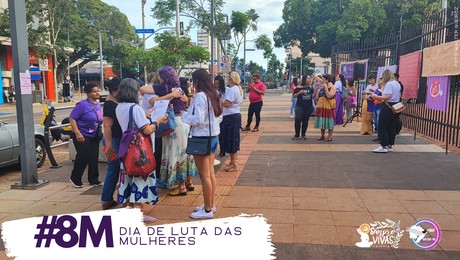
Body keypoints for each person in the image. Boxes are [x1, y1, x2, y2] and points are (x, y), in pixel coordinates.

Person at [140, 66, 197, 196]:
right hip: (185, 122)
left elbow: (142, 89)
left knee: (175, 153)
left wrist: (168, 96)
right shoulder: (178, 88)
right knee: (185, 152)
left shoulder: (163, 87)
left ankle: (180, 186)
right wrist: (175, 95)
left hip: (173, 123)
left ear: (162, 76)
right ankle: (189, 182)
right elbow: (186, 100)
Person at [116, 78, 167, 222]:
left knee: (129, 179)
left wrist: (146, 115)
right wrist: (157, 122)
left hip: (126, 149)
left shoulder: (119, 106)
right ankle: (139, 213)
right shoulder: (136, 108)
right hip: (139, 152)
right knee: (140, 178)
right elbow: (147, 129)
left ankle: (130, 210)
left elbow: (131, 121)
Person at [182, 68, 223, 219]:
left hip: (201, 137)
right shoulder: (214, 95)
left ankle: (207, 209)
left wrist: (185, 115)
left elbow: (197, 119)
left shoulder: (200, 96)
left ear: (197, 81)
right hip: (213, 136)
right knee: (210, 174)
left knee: (204, 175)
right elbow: (219, 117)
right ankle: (210, 205)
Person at [69, 83, 103, 188]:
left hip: (94, 134)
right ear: (87, 93)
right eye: (94, 91)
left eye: (98, 90)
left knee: (93, 157)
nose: (97, 93)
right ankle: (75, 178)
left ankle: (93, 178)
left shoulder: (98, 105)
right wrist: (77, 133)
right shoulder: (82, 105)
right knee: (83, 156)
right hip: (82, 134)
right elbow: (72, 118)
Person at [101, 77, 122, 210]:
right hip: (113, 140)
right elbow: (107, 126)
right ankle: (107, 199)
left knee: (114, 170)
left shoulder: (114, 102)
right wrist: (109, 146)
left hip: (115, 139)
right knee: (114, 169)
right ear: (116, 90)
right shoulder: (110, 104)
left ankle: (107, 199)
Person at [371, 70, 401, 153]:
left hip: (388, 106)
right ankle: (390, 145)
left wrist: (376, 97)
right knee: (391, 126)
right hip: (396, 106)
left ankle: (383, 146)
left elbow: (388, 96)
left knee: (382, 126)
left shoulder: (388, 84)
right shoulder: (397, 83)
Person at [220, 72, 243, 171]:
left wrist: (218, 100)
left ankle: (233, 163)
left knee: (231, 140)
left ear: (231, 79)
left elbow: (226, 103)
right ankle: (233, 161)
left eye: (228, 78)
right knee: (233, 139)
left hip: (230, 116)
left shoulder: (232, 90)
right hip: (234, 115)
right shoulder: (238, 89)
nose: (227, 80)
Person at [313, 74, 337, 141]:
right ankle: (322, 135)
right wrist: (315, 76)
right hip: (322, 105)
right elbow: (319, 80)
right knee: (322, 120)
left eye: (323, 79)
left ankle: (329, 136)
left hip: (328, 106)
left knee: (330, 121)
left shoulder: (333, 87)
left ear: (327, 80)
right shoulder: (324, 84)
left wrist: (326, 88)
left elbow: (329, 96)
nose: (322, 81)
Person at [292, 75, 314, 140]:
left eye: (309, 78)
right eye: (308, 78)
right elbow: (294, 96)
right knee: (298, 120)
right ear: (304, 79)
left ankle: (303, 134)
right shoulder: (298, 88)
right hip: (300, 106)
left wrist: (317, 91)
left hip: (308, 107)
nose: (309, 80)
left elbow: (313, 96)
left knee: (305, 121)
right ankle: (297, 134)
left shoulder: (310, 88)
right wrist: (299, 93)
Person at [214, 75, 227, 158]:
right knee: (218, 134)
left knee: (223, 134)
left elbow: (225, 102)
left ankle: (224, 150)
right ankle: (221, 150)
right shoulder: (212, 90)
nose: (216, 85)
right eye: (215, 83)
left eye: (218, 84)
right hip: (216, 113)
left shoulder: (224, 91)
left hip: (224, 113)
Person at [372, 78, 384, 142]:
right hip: (376, 106)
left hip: (380, 106)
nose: (379, 83)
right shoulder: (377, 90)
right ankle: (379, 136)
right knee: (376, 122)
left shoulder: (384, 90)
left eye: (380, 82)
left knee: (379, 121)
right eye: (378, 82)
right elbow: (373, 96)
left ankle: (381, 137)